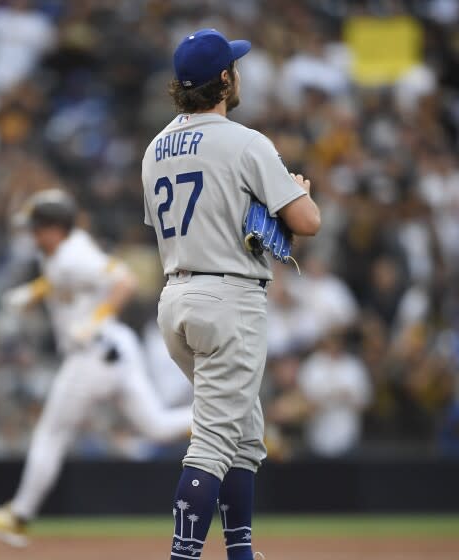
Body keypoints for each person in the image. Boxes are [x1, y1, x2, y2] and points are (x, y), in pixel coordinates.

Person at [141, 29, 321, 560]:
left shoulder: (154, 148)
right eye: (234, 66)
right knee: (215, 442)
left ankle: (240, 553)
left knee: (244, 433)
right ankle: (184, 555)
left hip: (175, 297)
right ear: (225, 79)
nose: (238, 72)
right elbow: (307, 222)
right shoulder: (246, 141)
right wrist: (300, 195)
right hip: (229, 300)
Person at [0, 189, 193, 547]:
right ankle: (226, 417)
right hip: (117, 348)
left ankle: (18, 516)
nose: (32, 234)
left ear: (56, 228)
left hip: (91, 355)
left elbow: (125, 280)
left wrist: (95, 319)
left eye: (37, 227)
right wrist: (35, 292)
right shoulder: (62, 251)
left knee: (50, 435)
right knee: (157, 425)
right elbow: (62, 279)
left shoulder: (73, 254)